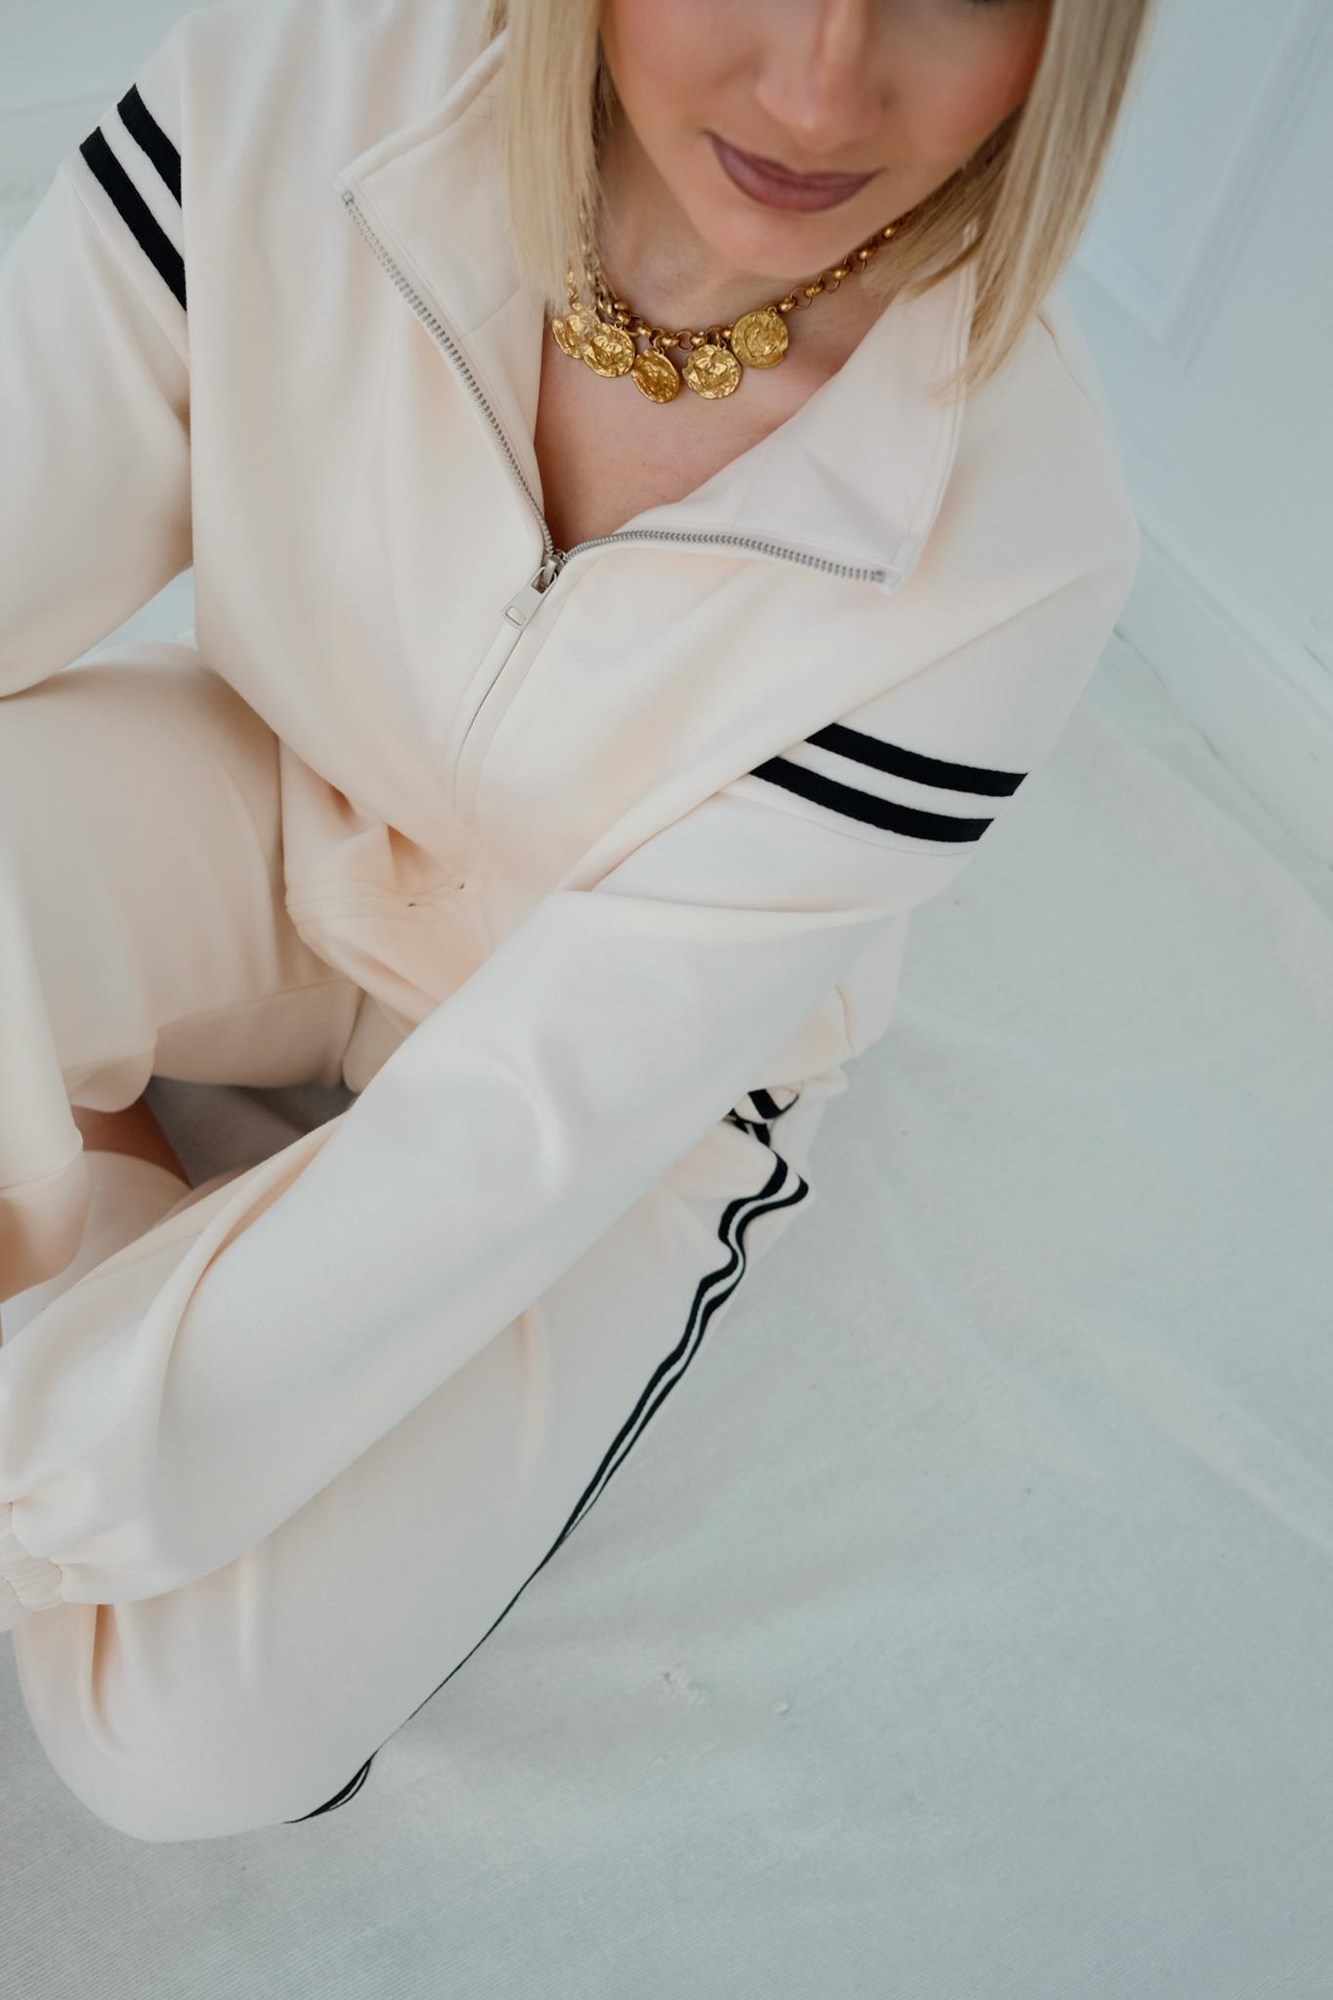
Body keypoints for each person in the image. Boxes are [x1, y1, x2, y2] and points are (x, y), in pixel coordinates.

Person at [0, 0, 1155, 1841]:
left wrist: (47, 1476)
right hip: (283, 804)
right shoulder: (294, 89)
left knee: (187, 1744)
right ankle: (128, 1177)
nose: (817, 90)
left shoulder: (1017, 529)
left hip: (624, 1103)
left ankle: (103, 1185)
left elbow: (522, 1131)